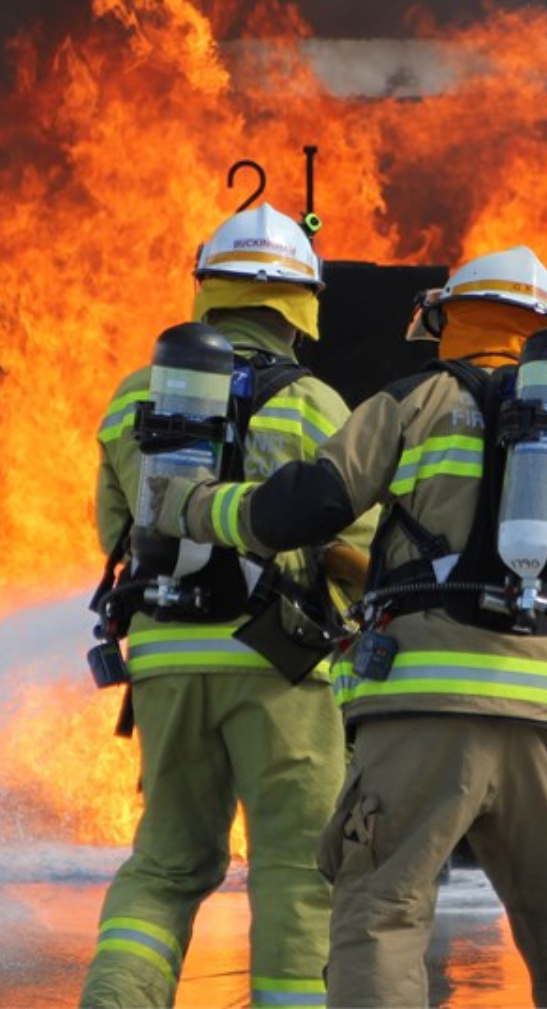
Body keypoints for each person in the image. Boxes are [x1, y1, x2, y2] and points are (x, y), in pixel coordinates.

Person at [153, 244, 547, 1006]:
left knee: (382, 914)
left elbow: (308, 507)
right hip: (545, 733)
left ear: (447, 319)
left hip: (419, 716)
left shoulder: (412, 403)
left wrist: (197, 506)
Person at [80, 202, 374, 1009]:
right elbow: (361, 545)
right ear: (302, 305)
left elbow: (118, 530)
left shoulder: (134, 397)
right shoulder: (316, 403)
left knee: (167, 866)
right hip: (276, 663)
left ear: (206, 289)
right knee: (294, 867)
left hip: (166, 658)